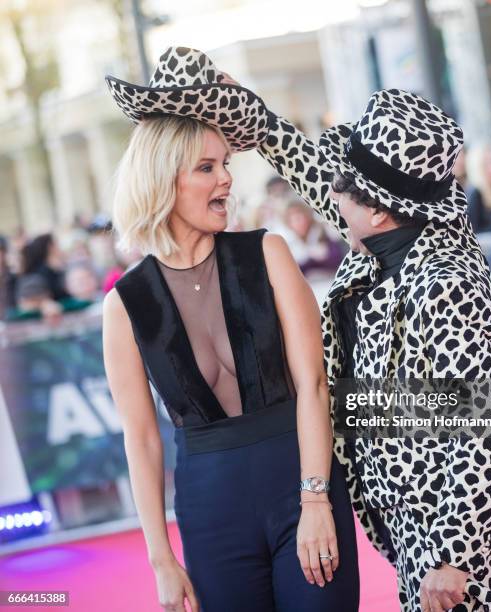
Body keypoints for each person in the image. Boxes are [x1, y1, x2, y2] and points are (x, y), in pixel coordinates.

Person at [209, 55, 491, 609]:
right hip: (416, 533)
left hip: (481, 556)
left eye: (343, 189)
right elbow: (317, 172)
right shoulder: (400, 234)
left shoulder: (444, 282)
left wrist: (452, 557)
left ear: (379, 212)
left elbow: (481, 434)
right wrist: (256, 118)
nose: (329, 196)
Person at [102, 47, 359, 612]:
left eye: (226, 165)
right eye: (207, 168)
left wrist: (316, 498)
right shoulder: (125, 303)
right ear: (164, 179)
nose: (226, 180)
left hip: (303, 491)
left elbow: (312, 386)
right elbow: (141, 439)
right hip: (210, 516)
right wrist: (161, 560)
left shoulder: (268, 253)